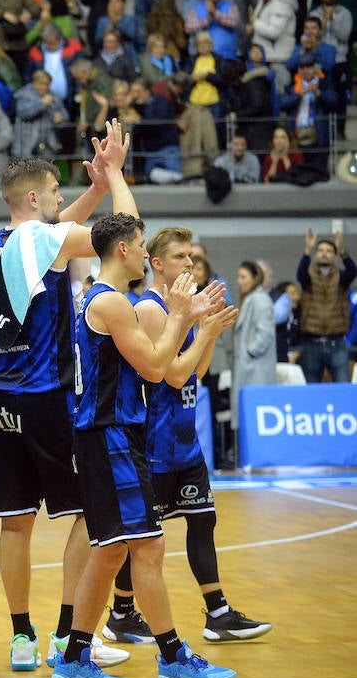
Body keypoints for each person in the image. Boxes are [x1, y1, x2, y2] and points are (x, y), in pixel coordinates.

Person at [51, 208, 236, 678]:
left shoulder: (104, 299)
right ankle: (173, 656)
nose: (143, 248)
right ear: (124, 251)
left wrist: (189, 320)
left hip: (107, 435)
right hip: (110, 435)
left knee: (110, 553)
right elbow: (158, 371)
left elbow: (163, 369)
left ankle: (72, 659)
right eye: (139, 242)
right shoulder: (111, 303)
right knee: (148, 547)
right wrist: (181, 316)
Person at [0, 126, 135, 674]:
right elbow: (114, 234)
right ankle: (70, 634)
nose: (62, 201)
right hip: (47, 399)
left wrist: (89, 190)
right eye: (55, 193)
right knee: (92, 515)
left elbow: (57, 232)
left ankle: (21, 636)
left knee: (14, 521)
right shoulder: (41, 241)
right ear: (32, 200)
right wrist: (113, 176)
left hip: (0, 397)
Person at [106, 226, 268, 646]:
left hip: (184, 440)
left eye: (191, 257)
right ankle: (121, 613)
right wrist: (208, 332)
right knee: (143, 540)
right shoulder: (154, 309)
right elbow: (174, 375)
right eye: (180, 257)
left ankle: (217, 613)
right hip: (155, 443)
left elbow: (196, 373)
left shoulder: (183, 308)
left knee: (203, 521)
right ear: (156, 264)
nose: (189, 264)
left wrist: (205, 330)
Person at [295, 229, 356, 383]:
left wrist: (343, 251)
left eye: (329, 251)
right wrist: (307, 251)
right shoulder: (308, 277)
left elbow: (353, 271)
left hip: (337, 342)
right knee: (311, 387)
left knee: (342, 386)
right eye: (320, 250)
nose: (324, 253)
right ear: (316, 255)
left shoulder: (341, 277)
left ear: (335, 257)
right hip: (311, 343)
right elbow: (300, 275)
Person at [232, 259, 278, 424]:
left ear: (255, 278)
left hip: (256, 370)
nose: (239, 281)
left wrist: (249, 353)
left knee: (257, 420)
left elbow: (265, 334)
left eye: (243, 277)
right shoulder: (250, 299)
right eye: (239, 277)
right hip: (249, 369)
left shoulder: (260, 299)